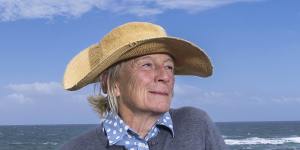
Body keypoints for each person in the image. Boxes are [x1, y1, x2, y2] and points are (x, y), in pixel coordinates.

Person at [60, 22, 227, 150]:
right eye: (147, 65)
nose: (165, 76)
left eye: (169, 67)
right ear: (112, 83)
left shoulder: (195, 124)